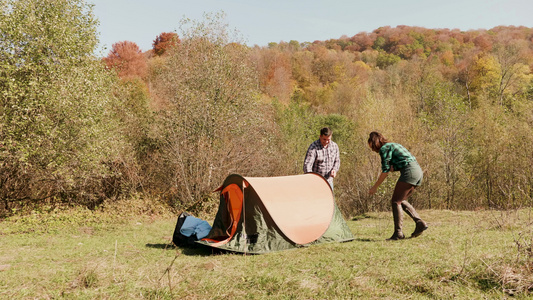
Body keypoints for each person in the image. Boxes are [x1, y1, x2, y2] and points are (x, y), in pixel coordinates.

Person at [367, 131, 428, 240]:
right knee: (401, 200)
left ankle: (398, 233)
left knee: (396, 201)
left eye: (372, 147)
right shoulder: (394, 145)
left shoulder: (384, 149)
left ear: (375, 142)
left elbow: (385, 172)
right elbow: (403, 161)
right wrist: (394, 168)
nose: (373, 150)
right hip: (417, 171)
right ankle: (420, 223)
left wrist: (374, 187)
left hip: (410, 172)